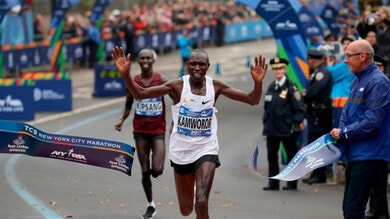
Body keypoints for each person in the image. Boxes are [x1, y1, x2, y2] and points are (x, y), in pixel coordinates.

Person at [111, 46, 267, 219]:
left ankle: (199, 187)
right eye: (193, 64)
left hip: (206, 149)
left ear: (208, 66)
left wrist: (258, 83)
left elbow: (252, 99)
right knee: (186, 209)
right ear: (187, 65)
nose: (197, 68)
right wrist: (126, 74)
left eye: (201, 64)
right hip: (181, 151)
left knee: (201, 201)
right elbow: (140, 94)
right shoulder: (177, 86)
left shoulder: (215, 87)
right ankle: (192, 184)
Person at [330, 39, 390, 219]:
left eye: (348, 55)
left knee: (354, 209)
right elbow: (347, 113)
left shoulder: (378, 82)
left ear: (363, 56)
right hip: (356, 153)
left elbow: (372, 122)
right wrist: (340, 131)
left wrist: (344, 133)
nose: (345, 60)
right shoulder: (357, 80)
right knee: (349, 208)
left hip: (370, 155)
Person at [114, 49, 170, 219]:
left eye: (148, 58)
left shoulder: (162, 81)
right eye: (142, 58)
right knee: (144, 171)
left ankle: (153, 173)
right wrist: (122, 120)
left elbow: (178, 98)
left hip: (158, 130)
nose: (145, 60)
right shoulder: (133, 81)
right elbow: (128, 104)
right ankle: (150, 205)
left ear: (153, 60)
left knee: (157, 170)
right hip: (140, 130)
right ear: (138, 61)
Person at [262, 57, 306, 191]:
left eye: (280, 68)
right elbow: (267, 108)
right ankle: (273, 183)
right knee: (271, 156)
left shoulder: (291, 87)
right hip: (272, 129)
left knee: (290, 157)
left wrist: (294, 124)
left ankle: (291, 183)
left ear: (285, 69)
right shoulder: (271, 86)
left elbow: (300, 109)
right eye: (275, 69)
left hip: (287, 129)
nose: (278, 71)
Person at [302, 49, 333, 185]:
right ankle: (316, 173)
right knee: (314, 144)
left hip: (320, 114)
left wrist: (306, 95)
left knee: (318, 144)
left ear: (312, 60)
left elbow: (314, 91)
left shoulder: (322, 73)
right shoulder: (317, 72)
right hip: (315, 113)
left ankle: (320, 174)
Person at [364, 54, 390, 219]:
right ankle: (378, 211)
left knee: (378, 176)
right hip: (378, 139)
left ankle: (377, 211)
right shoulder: (373, 83)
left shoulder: (382, 84)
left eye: (380, 67)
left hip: (382, 138)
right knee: (376, 178)